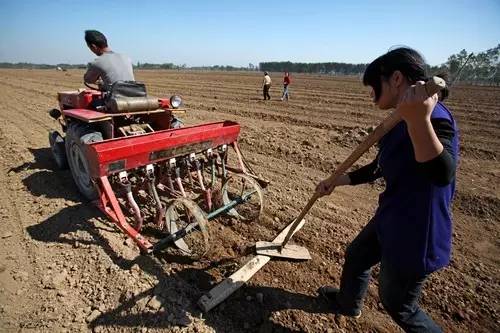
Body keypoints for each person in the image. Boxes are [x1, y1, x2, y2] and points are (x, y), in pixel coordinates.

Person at [316, 47, 458, 333]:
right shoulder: (399, 119)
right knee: (357, 256)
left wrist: (419, 119)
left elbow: (442, 173)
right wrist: (336, 182)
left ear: (395, 79)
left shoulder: (434, 117)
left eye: (373, 87)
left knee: (399, 304)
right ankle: (348, 303)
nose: (371, 95)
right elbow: (379, 166)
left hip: (416, 230)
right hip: (392, 215)